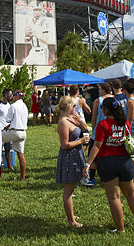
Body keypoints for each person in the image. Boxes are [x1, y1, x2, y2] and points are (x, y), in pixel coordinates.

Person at [83, 97, 134, 233]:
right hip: (126, 162)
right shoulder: (125, 124)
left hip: (107, 163)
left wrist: (88, 164)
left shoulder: (103, 124)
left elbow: (97, 146)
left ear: (106, 110)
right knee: (131, 194)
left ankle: (120, 229)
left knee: (114, 197)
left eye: (102, 109)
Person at [55, 95, 89, 227]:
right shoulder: (63, 122)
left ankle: (71, 214)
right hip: (69, 157)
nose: (76, 108)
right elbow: (64, 145)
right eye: (74, 105)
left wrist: (79, 120)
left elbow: (85, 128)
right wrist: (80, 141)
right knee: (68, 190)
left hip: (76, 155)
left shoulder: (71, 118)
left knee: (72, 186)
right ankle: (71, 220)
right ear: (69, 106)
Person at [2, 90, 29, 180]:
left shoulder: (13, 106)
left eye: (13, 95)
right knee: (20, 154)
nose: (12, 97)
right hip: (23, 132)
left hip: (14, 132)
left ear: (17, 96)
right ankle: (22, 176)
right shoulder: (25, 106)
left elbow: (8, 119)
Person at [0, 89, 14, 169]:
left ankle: (9, 165)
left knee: (8, 148)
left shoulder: (10, 105)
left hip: (8, 130)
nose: (11, 97)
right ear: (5, 95)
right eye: (10, 95)